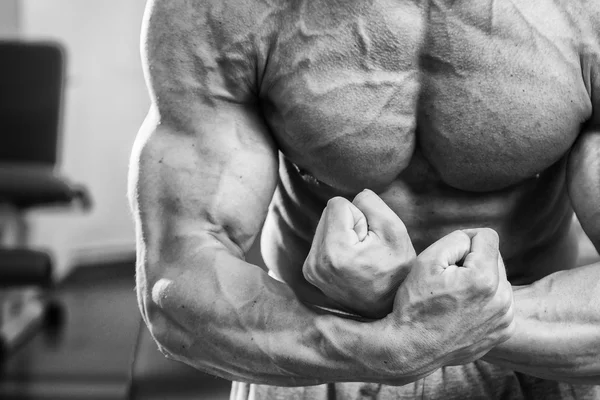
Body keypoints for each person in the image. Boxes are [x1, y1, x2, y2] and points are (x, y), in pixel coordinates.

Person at [127, 0, 600, 398]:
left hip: (543, 360)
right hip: (309, 359)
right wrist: (384, 345)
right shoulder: (225, 10)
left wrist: (436, 327)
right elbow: (176, 278)